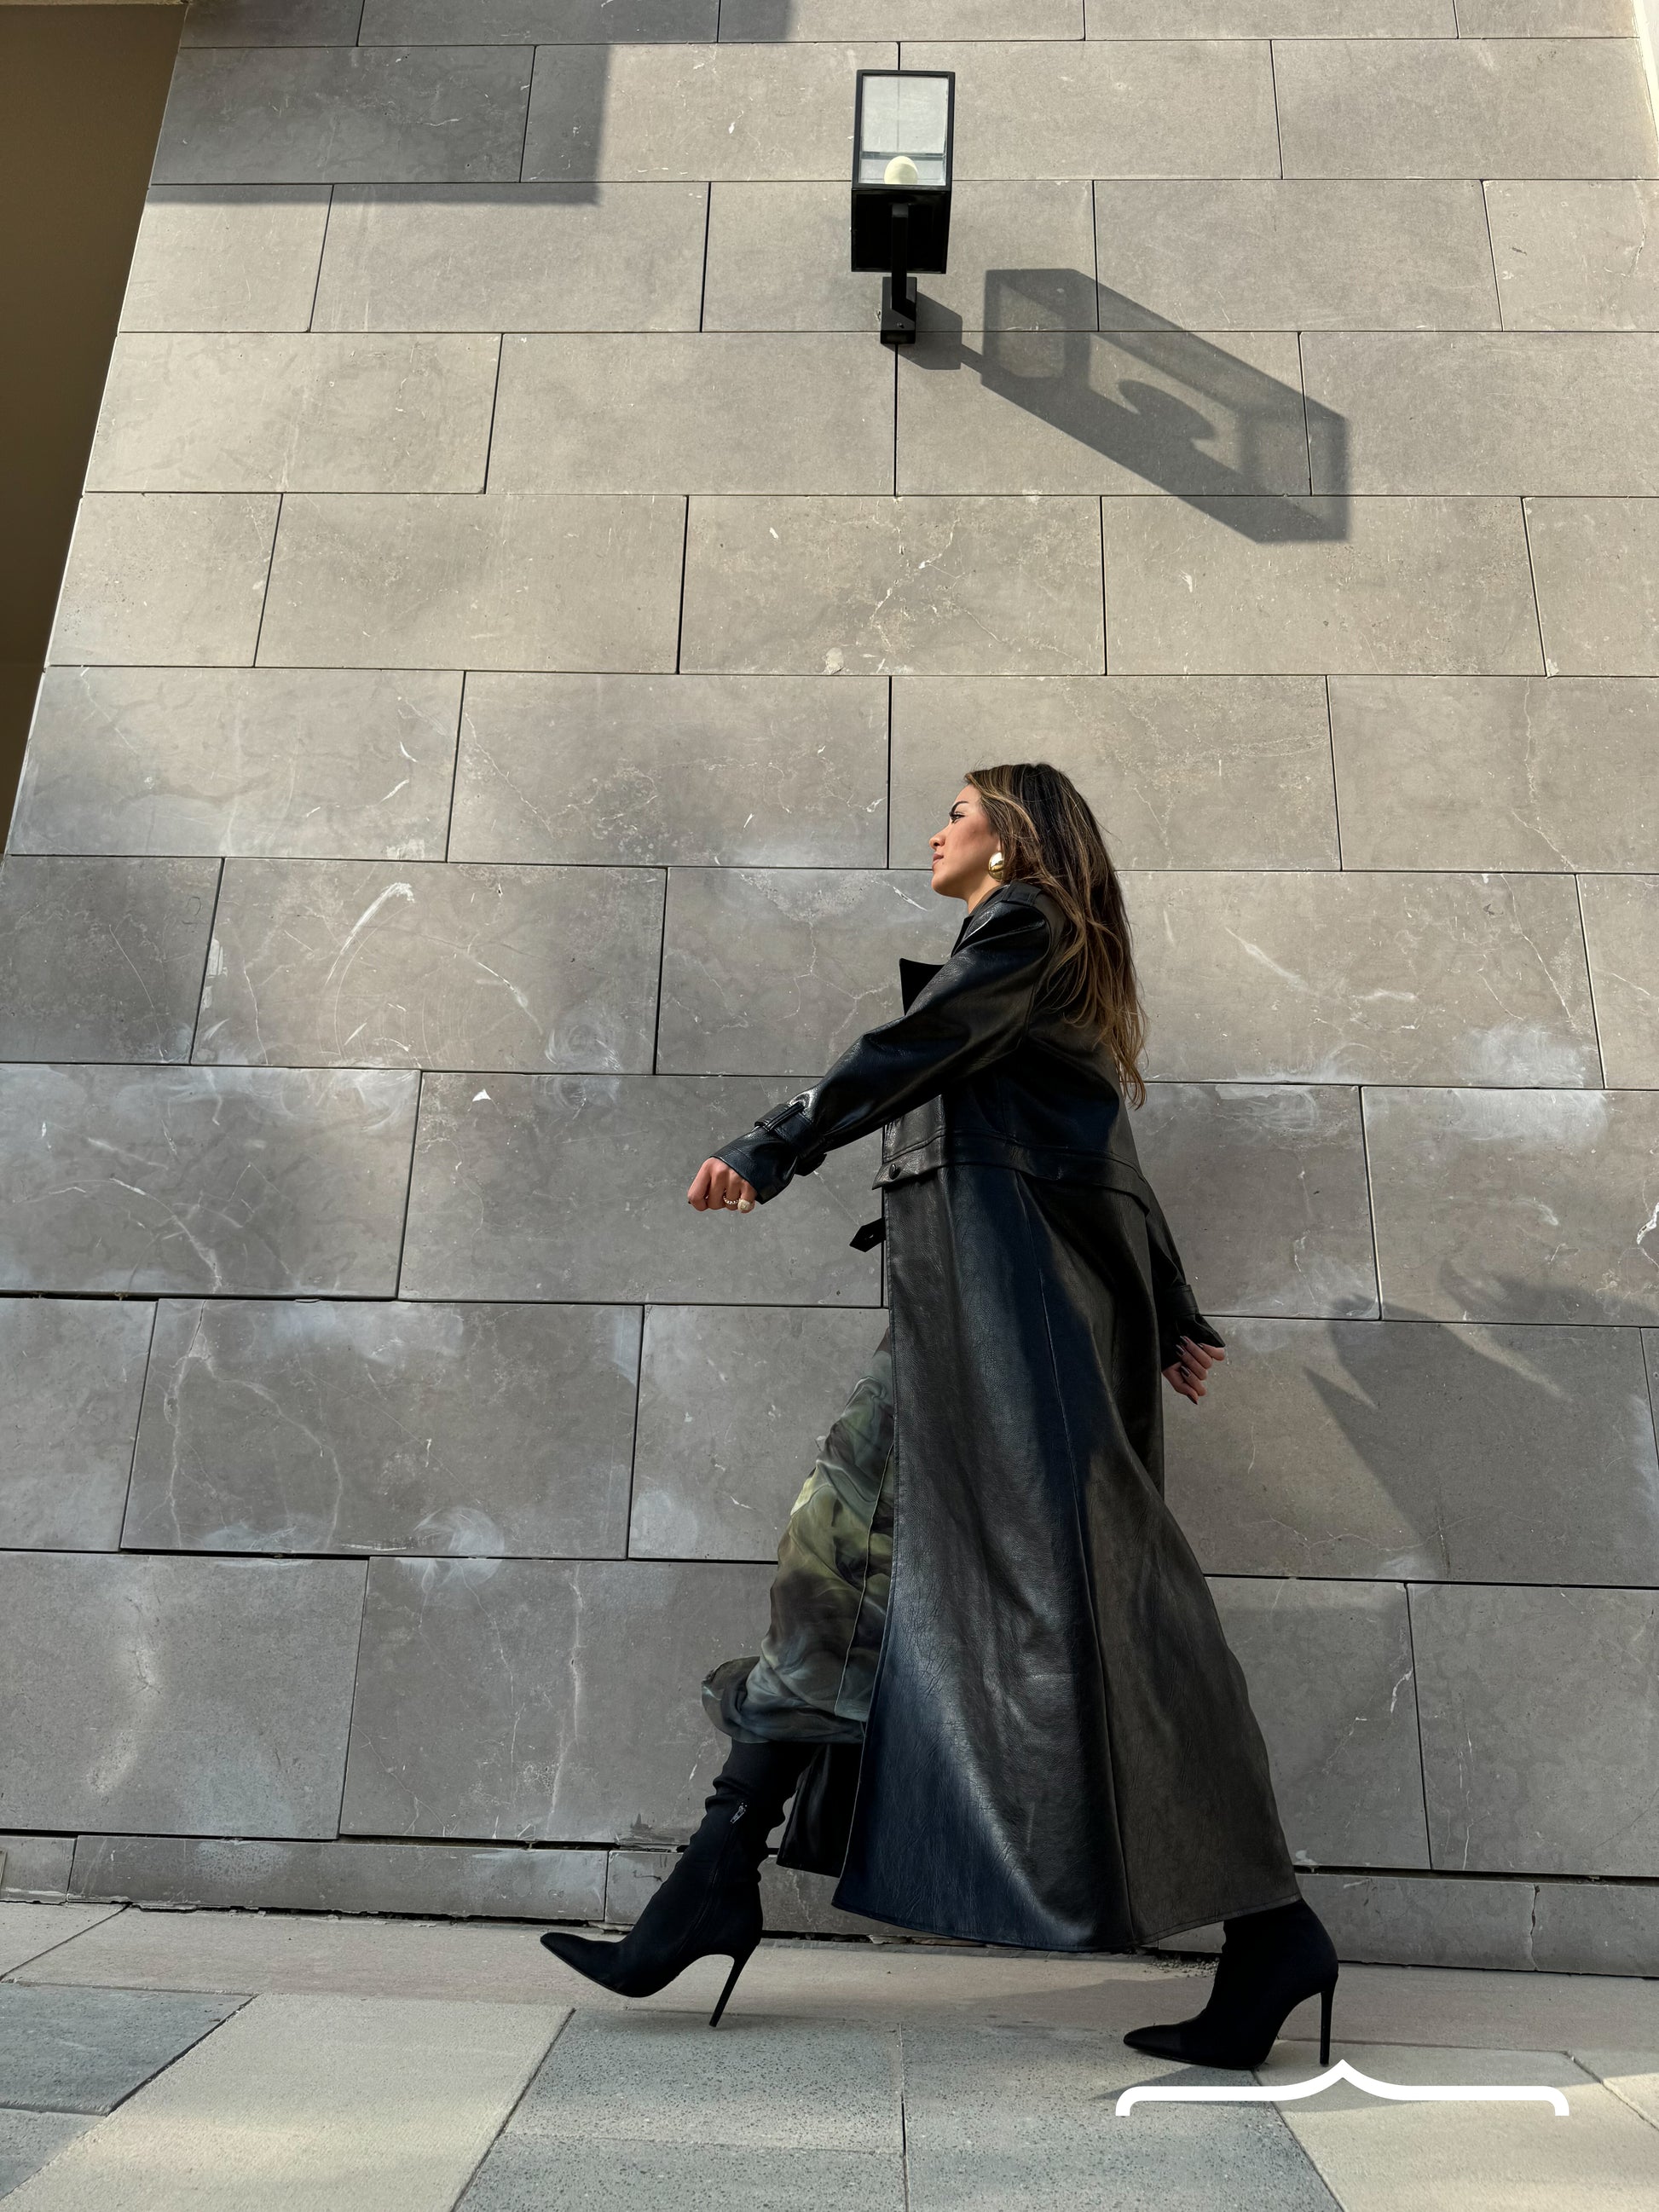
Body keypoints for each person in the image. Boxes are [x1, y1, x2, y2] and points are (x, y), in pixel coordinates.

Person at [542, 762, 1338, 2067]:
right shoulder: (1034, 958)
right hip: (970, 1324)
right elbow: (1105, 1152)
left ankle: (1267, 1931)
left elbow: (915, 1057)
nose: (935, 829)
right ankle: (711, 1879)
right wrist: (1174, 1306)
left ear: (1013, 838)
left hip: (999, 1330)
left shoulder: (1022, 932)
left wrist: (775, 1140)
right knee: (851, 1573)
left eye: (957, 811)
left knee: (1076, 1618)